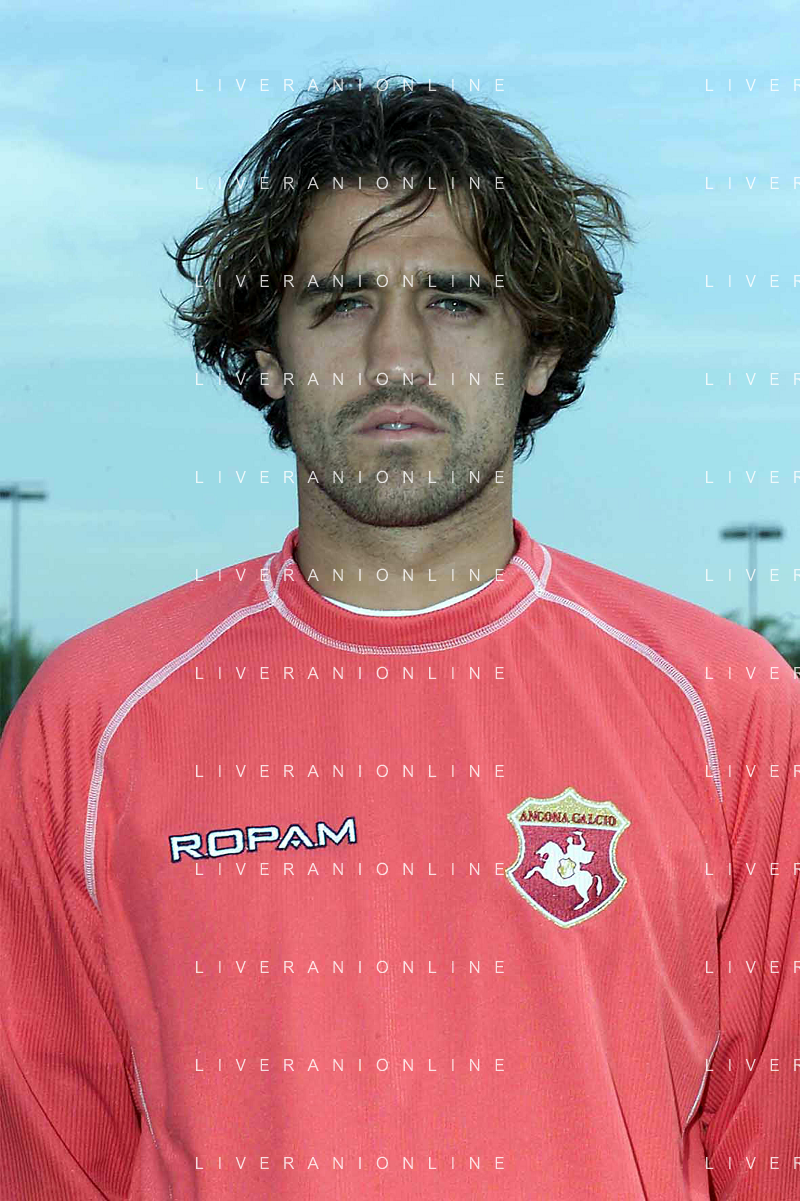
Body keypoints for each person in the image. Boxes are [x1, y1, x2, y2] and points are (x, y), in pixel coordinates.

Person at [1, 73, 797, 1201]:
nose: (395, 356)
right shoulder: (89, 721)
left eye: (456, 301)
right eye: (339, 302)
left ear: (538, 351)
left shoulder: (727, 705)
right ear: (268, 353)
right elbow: (47, 1156)